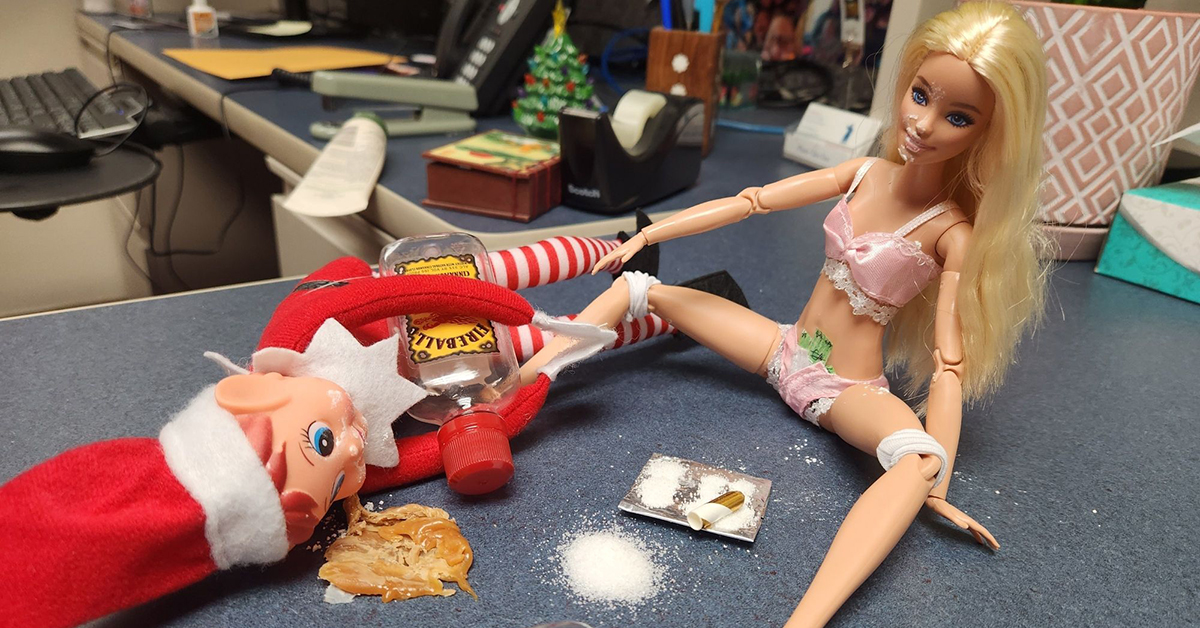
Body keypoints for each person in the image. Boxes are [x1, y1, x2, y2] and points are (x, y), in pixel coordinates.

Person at [521, 3, 1049, 626]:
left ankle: (805, 620)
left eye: (957, 117)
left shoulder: (951, 234)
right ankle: (519, 388)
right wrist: (649, 233)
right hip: (782, 349)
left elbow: (948, 367)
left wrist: (937, 483)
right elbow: (752, 201)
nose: (924, 123)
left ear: (988, 134)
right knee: (640, 290)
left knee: (919, 459)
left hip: (845, 390)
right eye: (919, 95)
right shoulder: (864, 173)